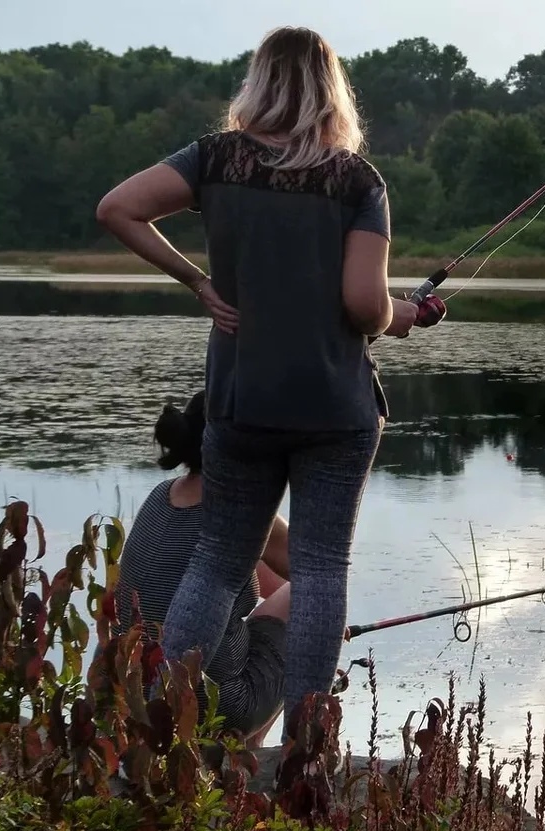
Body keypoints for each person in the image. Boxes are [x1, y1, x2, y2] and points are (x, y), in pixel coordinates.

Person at [95, 25, 427, 745]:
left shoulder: (213, 162)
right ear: (330, 91)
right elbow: (364, 307)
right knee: (317, 571)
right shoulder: (356, 181)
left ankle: (162, 730)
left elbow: (116, 206)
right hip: (335, 411)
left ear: (258, 83)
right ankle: (308, 750)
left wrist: (195, 280)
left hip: (242, 404)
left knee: (217, 564)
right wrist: (409, 317)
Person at [114, 391, 290, 748]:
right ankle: (253, 746)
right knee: (313, 598)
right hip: (218, 706)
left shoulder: (161, 496)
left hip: (144, 697)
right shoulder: (243, 509)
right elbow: (319, 573)